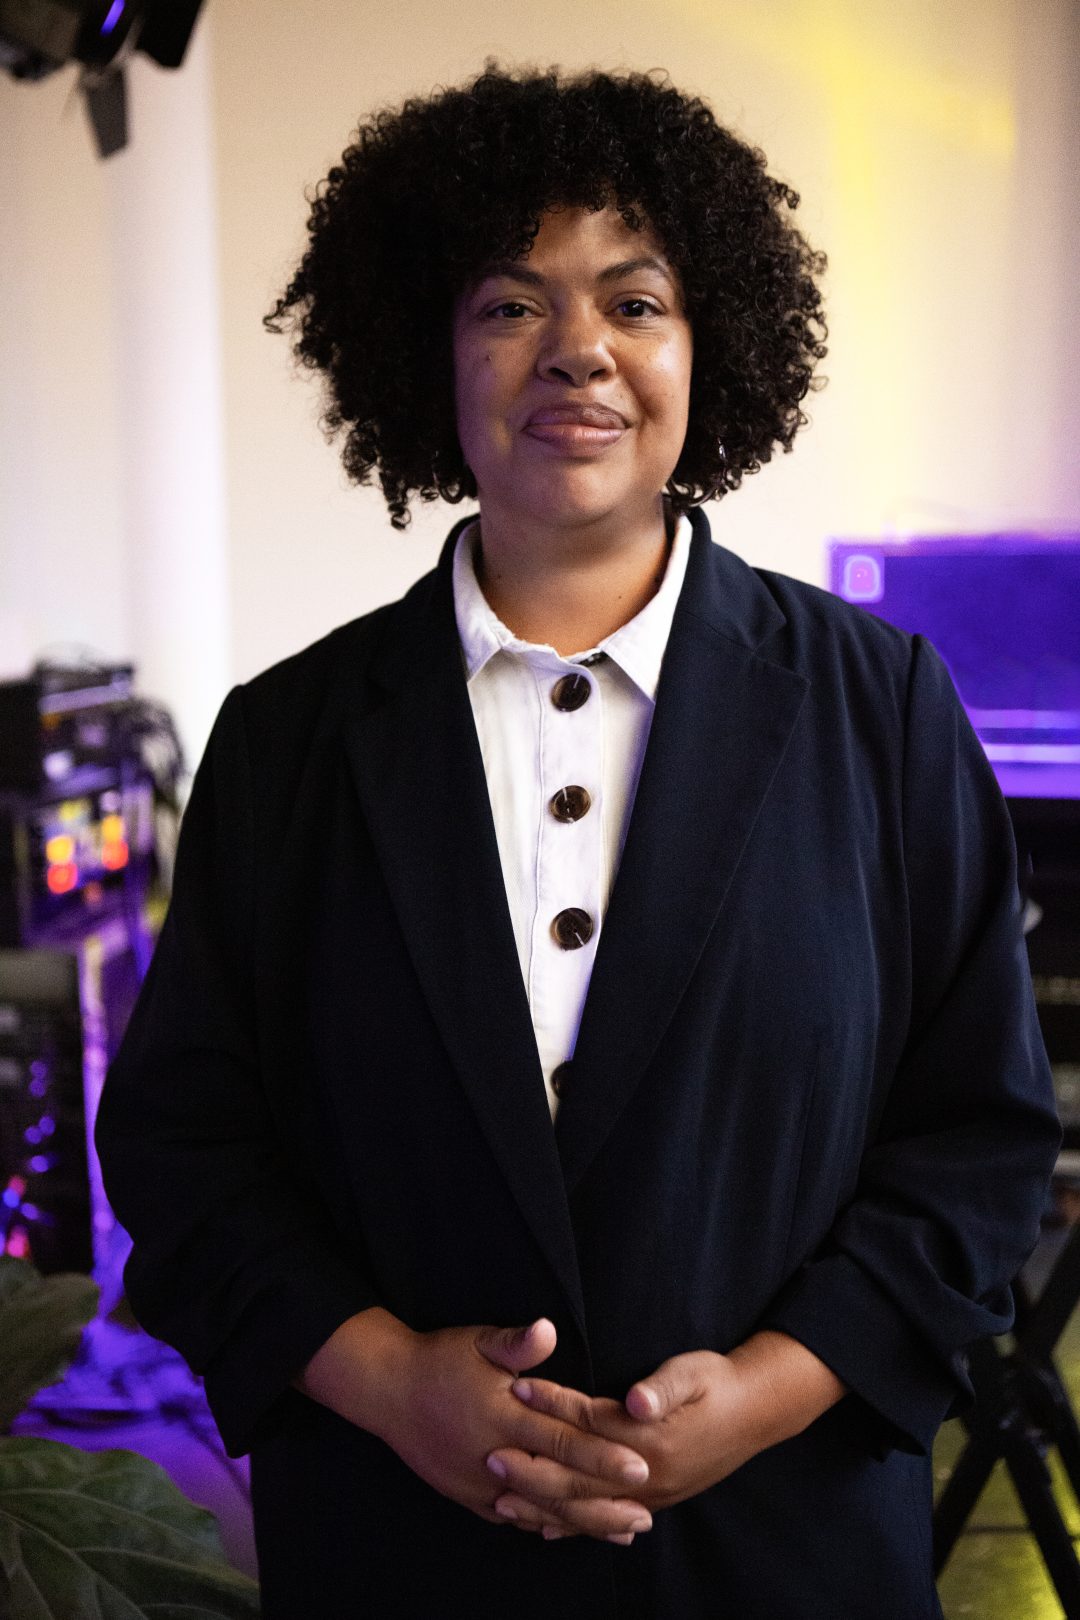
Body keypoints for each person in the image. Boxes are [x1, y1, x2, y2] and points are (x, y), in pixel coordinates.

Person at [95, 64, 1060, 1620]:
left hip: (787, 1554)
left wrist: (765, 1391)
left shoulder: (881, 708)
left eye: (637, 300)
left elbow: (980, 1147)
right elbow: (188, 1151)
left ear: (709, 345)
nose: (581, 353)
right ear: (426, 358)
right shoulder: (287, 742)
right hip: (402, 1555)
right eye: (508, 307)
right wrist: (396, 1381)